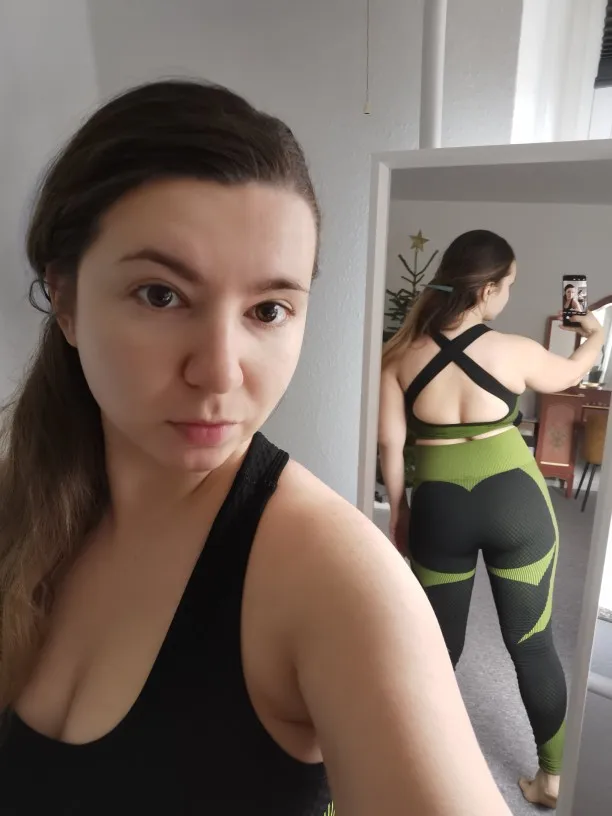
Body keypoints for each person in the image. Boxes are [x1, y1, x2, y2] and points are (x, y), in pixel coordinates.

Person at [0, 81, 511, 815]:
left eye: (269, 310)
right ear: (66, 299)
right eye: (161, 295)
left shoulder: (338, 582)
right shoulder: (17, 506)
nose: (220, 371)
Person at [378, 229, 605, 810]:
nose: (507, 296)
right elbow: (572, 373)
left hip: (439, 510)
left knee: (437, 647)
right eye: (508, 286)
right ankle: (551, 779)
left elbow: (389, 448)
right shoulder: (514, 349)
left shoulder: (399, 355)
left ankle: (414, 768)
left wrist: (400, 512)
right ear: (486, 290)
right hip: (517, 504)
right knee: (532, 644)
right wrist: (596, 335)